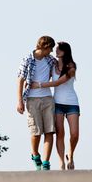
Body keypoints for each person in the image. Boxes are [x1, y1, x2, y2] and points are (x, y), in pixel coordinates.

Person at [31, 42, 80, 170]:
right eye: (55, 49)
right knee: (60, 133)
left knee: (74, 134)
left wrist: (39, 85)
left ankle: (71, 154)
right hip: (56, 103)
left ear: (65, 52)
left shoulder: (71, 66)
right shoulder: (52, 63)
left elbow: (58, 82)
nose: (55, 51)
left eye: (58, 49)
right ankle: (61, 162)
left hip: (72, 103)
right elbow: (40, 60)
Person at [17, 36, 56, 171]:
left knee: (50, 131)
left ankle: (46, 163)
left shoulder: (50, 60)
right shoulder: (28, 59)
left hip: (48, 99)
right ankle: (35, 154)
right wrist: (19, 101)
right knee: (36, 132)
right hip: (32, 99)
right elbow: (20, 80)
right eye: (51, 48)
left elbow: (59, 68)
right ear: (45, 47)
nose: (51, 51)